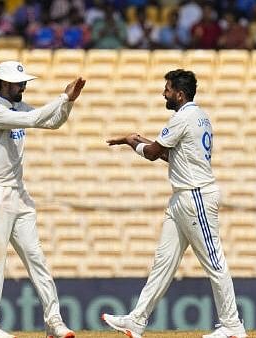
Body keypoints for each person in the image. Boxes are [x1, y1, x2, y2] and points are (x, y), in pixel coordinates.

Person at [102, 69, 247, 338]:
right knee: (163, 262)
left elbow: (154, 154)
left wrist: (132, 143)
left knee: (214, 262)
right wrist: (138, 139)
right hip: (182, 197)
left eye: (167, 89)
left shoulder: (182, 118)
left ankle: (233, 326)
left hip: (195, 197)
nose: (163, 93)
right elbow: (174, 155)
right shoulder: (199, 116)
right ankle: (137, 320)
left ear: (179, 95)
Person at [0, 61, 85, 338]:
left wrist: (68, 102)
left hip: (18, 192)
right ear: (1, 83)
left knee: (36, 257)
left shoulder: (17, 106)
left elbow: (52, 122)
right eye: (17, 83)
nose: (23, 87)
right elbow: (34, 120)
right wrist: (61, 97)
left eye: (23, 83)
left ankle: (54, 322)